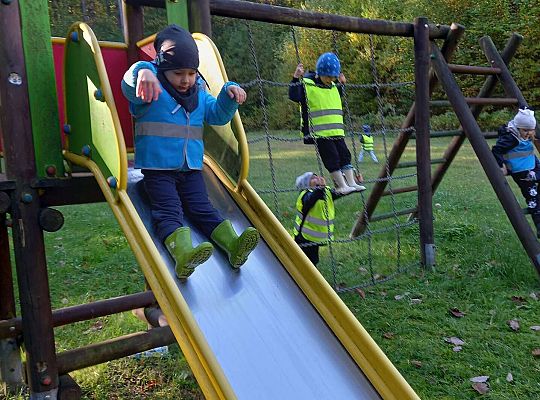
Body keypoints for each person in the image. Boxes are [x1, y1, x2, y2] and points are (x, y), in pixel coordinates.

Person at [121, 25, 259, 279]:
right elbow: (128, 87)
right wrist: (142, 72)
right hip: (158, 169)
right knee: (168, 210)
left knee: (202, 208)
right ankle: (182, 254)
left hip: (191, 168)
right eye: (178, 73)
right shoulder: (151, 89)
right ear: (162, 67)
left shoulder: (199, 94)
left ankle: (233, 246)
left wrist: (229, 96)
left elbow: (217, 116)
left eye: (191, 73)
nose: (186, 79)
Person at [289, 53, 366, 195]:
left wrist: (342, 84)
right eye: (328, 77)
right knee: (332, 158)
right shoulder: (307, 84)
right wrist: (295, 77)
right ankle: (341, 185)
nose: (330, 80)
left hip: (336, 131)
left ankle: (351, 183)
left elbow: (335, 97)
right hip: (320, 133)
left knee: (345, 155)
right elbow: (293, 95)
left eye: (333, 77)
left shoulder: (332, 86)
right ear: (319, 73)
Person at [492, 108, 540, 237]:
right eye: (525, 130)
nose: (528, 133)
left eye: (531, 130)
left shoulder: (528, 133)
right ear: (518, 127)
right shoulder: (511, 138)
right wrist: (501, 165)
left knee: (536, 194)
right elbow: (496, 150)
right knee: (532, 196)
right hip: (522, 171)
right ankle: (539, 223)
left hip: (532, 165)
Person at [292, 171, 350, 265]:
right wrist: (320, 189)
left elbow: (341, 192)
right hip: (303, 237)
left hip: (314, 236)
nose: (317, 178)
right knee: (302, 259)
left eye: (317, 176)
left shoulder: (325, 192)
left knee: (313, 260)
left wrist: (353, 183)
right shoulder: (305, 195)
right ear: (306, 185)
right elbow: (311, 199)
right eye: (313, 178)